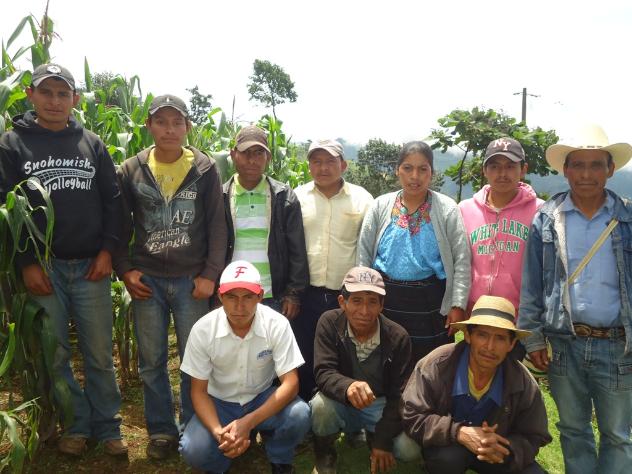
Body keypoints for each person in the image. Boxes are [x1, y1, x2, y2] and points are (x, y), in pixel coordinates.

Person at [0, 64, 126, 456]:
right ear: (30, 95)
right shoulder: (11, 144)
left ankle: (108, 428)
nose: (55, 101)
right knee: (55, 355)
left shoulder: (92, 143)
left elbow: (114, 203)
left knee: (100, 354)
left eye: (63, 94)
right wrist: (27, 263)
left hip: (91, 267)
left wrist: (108, 252)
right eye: (46, 92)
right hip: (43, 269)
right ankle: (76, 425)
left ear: (75, 99)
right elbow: (6, 208)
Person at [113, 94, 227, 459]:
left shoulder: (205, 169)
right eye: (161, 122)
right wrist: (125, 269)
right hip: (147, 281)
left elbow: (217, 224)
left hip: (191, 281)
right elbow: (118, 225)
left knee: (195, 359)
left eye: (177, 122)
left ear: (187, 127)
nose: (169, 130)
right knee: (152, 361)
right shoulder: (131, 170)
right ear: (148, 125)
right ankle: (161, 431)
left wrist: (210, 274)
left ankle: (193, 425)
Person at [518, 124, 632, 474]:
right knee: (573, 429)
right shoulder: (546, 219)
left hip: (617, 344)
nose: (586, 174)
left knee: (617, 434)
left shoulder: (627, 219)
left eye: (595, 165)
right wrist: (533, 337)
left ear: (610, 169)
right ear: (565, 170)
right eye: (578, 165)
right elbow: (532, 285)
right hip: (564, 343)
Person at [179, 260, 310, 474]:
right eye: (231, 297)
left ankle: (279, 458)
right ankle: (226, 453)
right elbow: (199, 392)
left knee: (299, 414)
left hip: (260, 397)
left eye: (248, 297)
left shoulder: (277, 324)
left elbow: (291, 383)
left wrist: (248, 422)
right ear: (220, 296)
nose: (239, 306)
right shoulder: (203, 329)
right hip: (219, 402)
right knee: (193, 449)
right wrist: (219, 432)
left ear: (260, 296)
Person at [402, 295, 551, 473]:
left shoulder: (523, 382)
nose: (490, 347)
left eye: (500, 338)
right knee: (447, 459)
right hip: (449, 444)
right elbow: (412, 415)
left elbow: (535, 435)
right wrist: (458, 432)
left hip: (497, 450)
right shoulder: (436, 364)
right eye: (482, 335)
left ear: (511, 344)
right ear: (468, 335)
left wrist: (507, 449)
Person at [357, 140, 471, 362]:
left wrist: (457, 305)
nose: (414, 176)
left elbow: (461, 260)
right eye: (407, 168)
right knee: (386, 360)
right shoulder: (380, 205)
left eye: (422, 169)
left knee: (430, 364)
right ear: (397, 170)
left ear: (432, 172)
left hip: (430, 301)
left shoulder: (447, 209)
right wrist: (364, 298)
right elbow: (364, 254)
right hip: (385, 298)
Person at [311, 266, 421, 474]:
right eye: (356, 301)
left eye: (372, 302)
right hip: (341, 400)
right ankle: (325, 452)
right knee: (320, 407)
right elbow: (323, 371)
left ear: (381, 305)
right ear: (342, 302)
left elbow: (399, 395)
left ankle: (373, 435)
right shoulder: (329, 322)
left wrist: (383, 439)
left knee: (409, 449)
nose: (364, 311)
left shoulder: (398, 337)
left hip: (379, 404)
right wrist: (348, 386)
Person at [293, 139, 373, 402]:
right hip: (305, 293)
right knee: (303, 353)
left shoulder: (362, 199)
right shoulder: (296, 197)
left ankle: (339, 408)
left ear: (344, 165)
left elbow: (368, 245)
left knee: (343, 354)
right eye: (317, 161)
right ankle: (304, 411)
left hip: (345, 295)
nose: (323, 168)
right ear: (309, 166)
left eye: (330, 161)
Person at [459, 138, 543, 359]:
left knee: (512, 377)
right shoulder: (465, 210)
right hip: (476, 318)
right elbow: (459, 263)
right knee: (474, 376)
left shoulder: (540, 212)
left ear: (523, 169)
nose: (502, 173)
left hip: (516, 320)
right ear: (484, 170)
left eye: (510, 166)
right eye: (495, 166)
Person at [223, 125, 308, 319]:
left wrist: (293, 294)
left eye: (259, 153)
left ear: (268, 157)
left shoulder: (283, 197)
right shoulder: (221, 196)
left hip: (272, 295)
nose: (252, 160)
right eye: (245, 153)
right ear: (233, 155)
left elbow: (297, 249)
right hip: (231, 295)